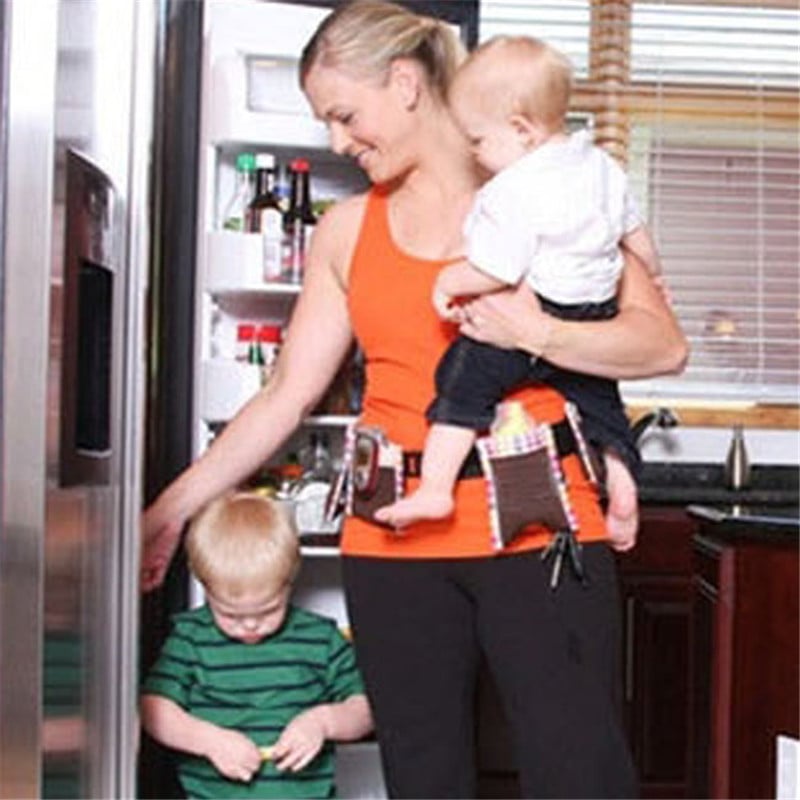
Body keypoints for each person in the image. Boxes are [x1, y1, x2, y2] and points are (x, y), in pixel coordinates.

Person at [141, 1, 688, 797]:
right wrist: (170, 510)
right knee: (423, 775)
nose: (338, 141)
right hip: (390, 534)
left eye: (344, 115)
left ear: (404, 83)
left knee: (580, 772)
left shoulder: (545, 192)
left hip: (537, 523)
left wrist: (536, 331)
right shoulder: (345, 230)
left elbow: (661, 345)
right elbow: (285, 395)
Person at [374, 35, 661, 547]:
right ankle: (620, 478)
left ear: (522, 130)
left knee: (461, 383)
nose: (475, 154)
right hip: (593, 312)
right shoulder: (602, 166)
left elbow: (498, 268)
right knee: (601, 405)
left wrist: (448, 280)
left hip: (537, 308)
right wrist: (654, 276)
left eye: (479, 141)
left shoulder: (512, 189)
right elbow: (636, 235)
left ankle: (435, 488)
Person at [140, 492, 372, 799]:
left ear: (288, 583)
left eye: (268, 611)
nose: (250, 625)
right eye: (230, 615)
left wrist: (323, 722)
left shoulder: (320, 638)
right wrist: (209, 741)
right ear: (205, 587)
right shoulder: (191, 638)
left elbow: (365, 708)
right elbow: (154, 709)